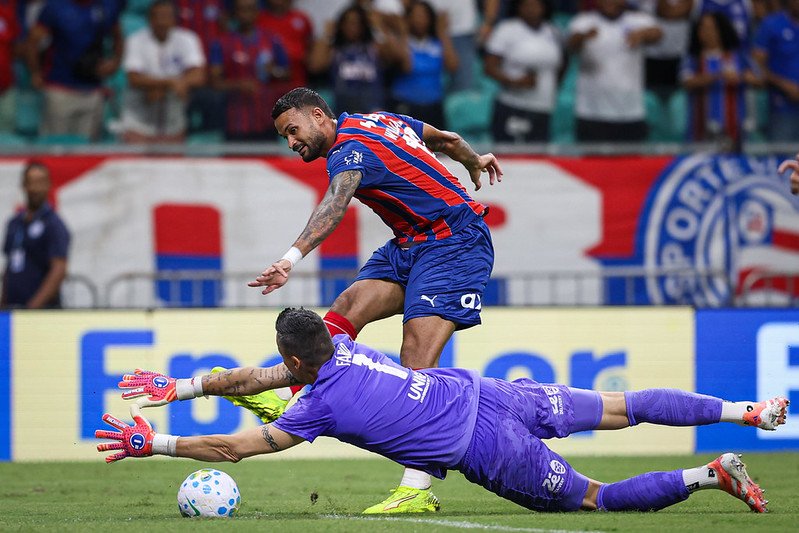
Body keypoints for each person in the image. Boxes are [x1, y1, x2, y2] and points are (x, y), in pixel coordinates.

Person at [99, 308, 789, 515]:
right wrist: (184, 387)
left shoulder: (316, 405)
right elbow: (256, 375)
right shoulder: (341, 346)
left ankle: (708, 475)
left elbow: (235, 448)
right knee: (624, 405)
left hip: (486, 447)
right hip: (490, 392)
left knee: (596, 498)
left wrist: (152, 442)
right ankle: (746, 410)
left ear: (297, 360)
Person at [240, 87, 501, 513]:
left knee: (417, 358)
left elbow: (335, 203)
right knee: (347, 308)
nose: (290, 142)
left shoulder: (348, 150)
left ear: (318, 116)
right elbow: (448, 140)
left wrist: (290, 259)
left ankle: (417, 487)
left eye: (293, 130)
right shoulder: (377, 120)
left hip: (455, 243)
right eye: (284, 136)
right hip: (411, 242)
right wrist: (475, 161)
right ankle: (294, 397)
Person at [24, 0, 124, 141]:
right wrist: (35, 73)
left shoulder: (106, 6)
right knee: (54, 144)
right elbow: (32, 42)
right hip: (60, 88)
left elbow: (118, 36)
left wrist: (115, 62)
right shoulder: (55, 7)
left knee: (87, 146)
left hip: (92, 89)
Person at [567, 0, 663, 142]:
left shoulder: (638, 20)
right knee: (591, 156)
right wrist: (583, 37)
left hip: (630, 111)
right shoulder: (583, 21)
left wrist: (642, 34)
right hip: (591, 112)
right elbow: (570, 46)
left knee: (631, 156)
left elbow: (658, 34)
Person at [118, 0, 207, 143]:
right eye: (157, 17)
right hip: (138, 122)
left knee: (173, 157)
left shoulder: (187, 39)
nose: (161, 22)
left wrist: (161, 86)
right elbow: (133, 78)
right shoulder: (135, 40)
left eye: (166, 16)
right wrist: (171, 83)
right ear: (149, 19)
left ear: (174, 19)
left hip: (173, 122)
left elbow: (199, 76)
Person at [483, 0, 563, 143]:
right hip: (514, 105)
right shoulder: (507, 30)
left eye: (536, 5)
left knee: (540, 153)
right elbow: (489, 68)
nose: (532, 9)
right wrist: (514, 82)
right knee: (511, 153)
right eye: (527, 5)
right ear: (518, 7)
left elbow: (561, 65)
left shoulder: (552, 31)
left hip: (543, 107)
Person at [208, 0, 289, 141]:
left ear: (257, 12)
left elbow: (286, 73)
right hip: (235, 119)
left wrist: (273, 71)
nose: (246, 14)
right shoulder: (221, 43)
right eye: (242, 10)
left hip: (267, 118)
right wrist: (238, 85)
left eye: (250, 9)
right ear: (235, 13)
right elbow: (215, 82)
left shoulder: (271, 40)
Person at [681, 11, 759, 147]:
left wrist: (741, 77)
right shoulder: (693, 59)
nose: (706, 32)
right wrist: (718, 76)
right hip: (700, 130)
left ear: (722, 30)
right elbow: (687, 81)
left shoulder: (739, 57)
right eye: (702, 28)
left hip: (735, 129)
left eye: (711, 28)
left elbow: (759, 80)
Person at [1, 161, 70, 309]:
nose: (35, 188)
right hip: (13, 309)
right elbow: (10, 265)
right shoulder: (14, 223)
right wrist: (4, 303)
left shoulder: (53, 224)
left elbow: (58, 270)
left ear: (48, 185)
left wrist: (33, 308)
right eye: (31, 182)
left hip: (41, 312)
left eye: (40, 182)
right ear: (24, 185)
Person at [389, 1, 459, 128]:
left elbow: (453, 66)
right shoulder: (400, 42)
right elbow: (406, 67)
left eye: (423, 16)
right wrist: (403, 31)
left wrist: (442, 32)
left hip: (433, 107)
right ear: (408, 18)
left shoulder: (437, 43)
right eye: (415, 16)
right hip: (406, 106)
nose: (419, 20)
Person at [752, 0, 799, 141]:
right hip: (782, 107)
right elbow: (756, 65)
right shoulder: (771, 24)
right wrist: (784, 85)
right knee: (783, 152)